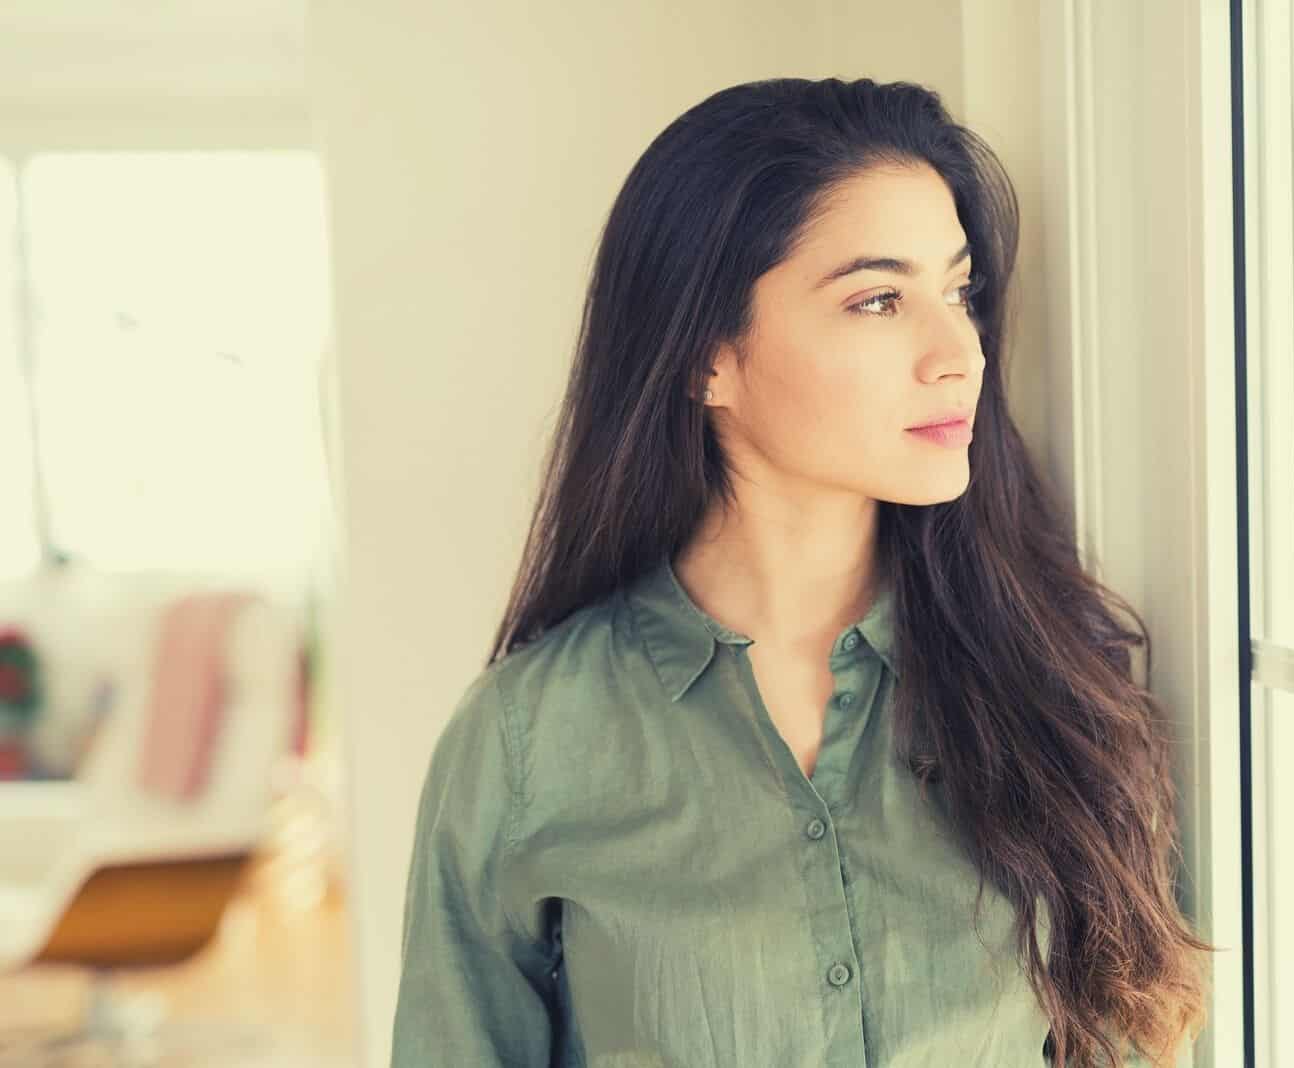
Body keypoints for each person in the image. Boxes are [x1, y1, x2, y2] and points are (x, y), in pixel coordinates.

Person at [390, 76, 1215, 1068]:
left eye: (957, 292)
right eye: (877, 300)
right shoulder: (526, 744)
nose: (959, 352)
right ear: (705, 357)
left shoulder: (1058, 688)